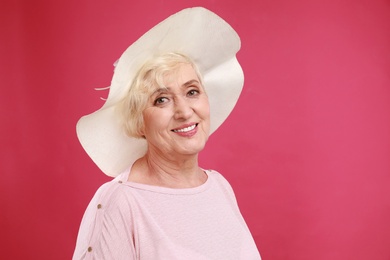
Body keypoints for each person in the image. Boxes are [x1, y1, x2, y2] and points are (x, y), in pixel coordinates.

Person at [73, 7, 261, 260]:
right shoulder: (121, 202)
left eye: (192, 91)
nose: (184, 111)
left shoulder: (218, 186)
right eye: (161, 100)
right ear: (138, 121)